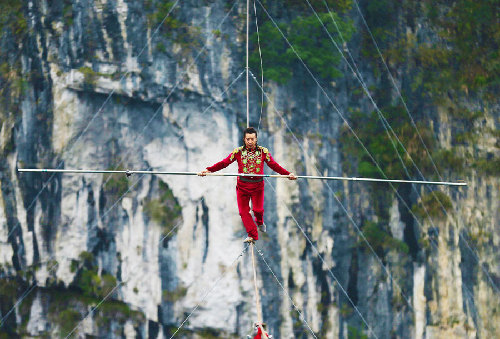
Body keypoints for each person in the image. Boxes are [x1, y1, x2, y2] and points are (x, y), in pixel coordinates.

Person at [199, 127, 297, 243]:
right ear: (244, 140)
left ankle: (260, 222)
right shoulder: (238, 152)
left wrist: (287, 174)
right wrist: (209, 170)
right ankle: (253, 235)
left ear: (256, 139)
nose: (250, 142)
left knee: (258, 210)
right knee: (243, 212)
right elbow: (224, 163)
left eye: (252, 139)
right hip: (242, 187)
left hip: (257, 187)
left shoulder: (263, 152)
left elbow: (274, 165)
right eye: (248, 139)